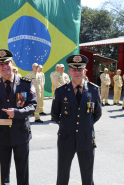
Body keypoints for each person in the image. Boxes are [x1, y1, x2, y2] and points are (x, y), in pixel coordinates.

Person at [0, 49, 37, 185]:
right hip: (2, 135)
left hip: (21, 133)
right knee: (3, 172)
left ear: (12, 63)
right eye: (1, 65)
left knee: (22, 172)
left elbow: (33, 105)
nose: (4, 67)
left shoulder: (25, 83)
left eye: (7, 63)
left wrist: (17, 113)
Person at [51, 54, 102, 185]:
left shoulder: (93, 90)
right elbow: (55, 114)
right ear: (69, 71)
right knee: (62, 174)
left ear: (85, 71)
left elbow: (97, 113)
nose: (77, 73)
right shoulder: (61, 91)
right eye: (74, 70)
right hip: (66, 138)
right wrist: (66, 125)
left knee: (87, 175)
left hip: (85, 138)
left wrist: (85, 124)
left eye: (80, 70)